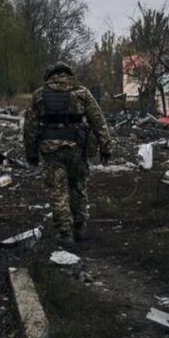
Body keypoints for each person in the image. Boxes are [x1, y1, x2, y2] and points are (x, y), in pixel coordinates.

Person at [23, 62, 113, 243]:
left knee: (58, 189)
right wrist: (105, 146)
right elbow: (98, 120)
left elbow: (30, 127)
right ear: (68, 74)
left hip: (51, 149)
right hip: (76, 148)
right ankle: (80, 227)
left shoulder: (39, 94)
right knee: (78, 185)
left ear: (50, 75)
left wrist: (31, 152)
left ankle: (65, 232)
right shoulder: (81, 92)